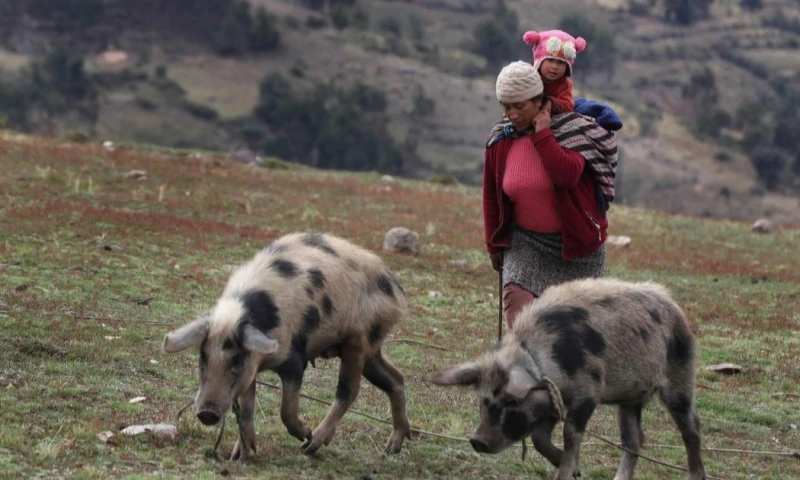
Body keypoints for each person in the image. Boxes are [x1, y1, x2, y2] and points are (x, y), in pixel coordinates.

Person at [483, 61, 618, 328]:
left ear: (539, 101)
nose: (512, 114)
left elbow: (566, 176)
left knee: (572, 333)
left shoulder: (574, 132)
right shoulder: (501, 140)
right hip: (526, 245)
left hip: (577, 249)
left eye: (519, 106)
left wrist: (543, 133)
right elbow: (491, 196)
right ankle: (526, 369)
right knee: (522, 323)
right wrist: (494, 245)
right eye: (506, 106)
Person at [522, 30, 587, 114]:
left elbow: (568, 106)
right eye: (550, 60)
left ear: (567, 67)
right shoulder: (527, 76)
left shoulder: (565, 84)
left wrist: (550, 102)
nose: (555, 66)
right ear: (539, 61)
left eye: (560, 62)